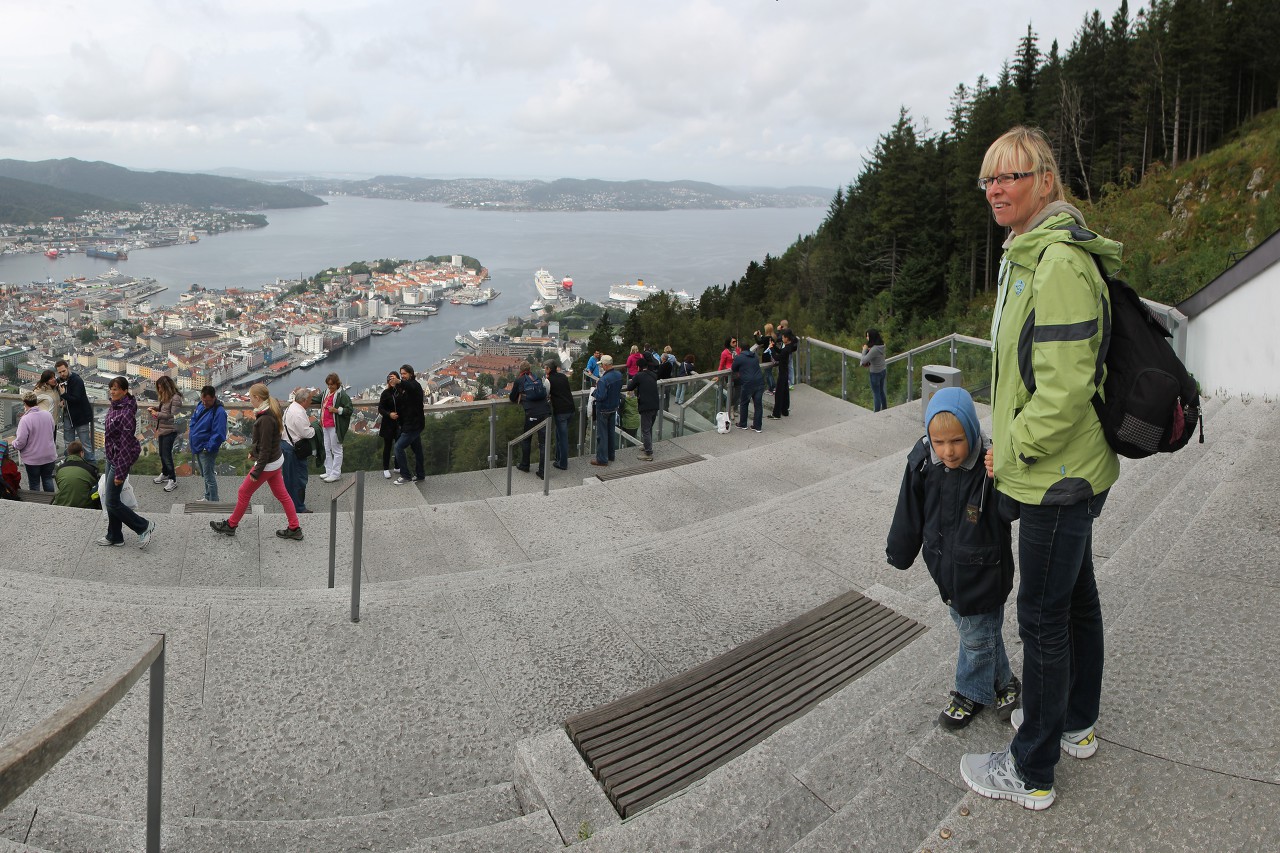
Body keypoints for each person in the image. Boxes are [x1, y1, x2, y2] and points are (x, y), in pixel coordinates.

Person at [959, 126, 1121, 812]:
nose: (996, 189)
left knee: (1043, 618)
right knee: (1075, 599)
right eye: (988, 179)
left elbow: (1063, 388)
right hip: (1068, 463)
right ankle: (1077, 722)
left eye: (1011, 176)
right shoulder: (1029, 252)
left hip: (1056, 471)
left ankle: (1032, 769)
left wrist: (1011, 446)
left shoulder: (1054, 263)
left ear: (1045, 181)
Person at [887, 387, 1019, 730]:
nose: (948, 451)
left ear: (972, 432)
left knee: (976, 636)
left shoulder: (990, 460)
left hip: (985, 571)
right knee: (979, 632)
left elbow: (1011, 511)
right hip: (945, 568)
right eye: (939, 442)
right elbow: (909, 508)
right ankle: (1005, 683)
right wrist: (900, 551)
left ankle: (969, 692)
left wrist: (1001, 473)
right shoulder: (923, 459)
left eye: (957, 441)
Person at [210, 383, 303, 540]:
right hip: (276, 459)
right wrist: (254, 452)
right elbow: (267, 442)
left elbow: (265, 449)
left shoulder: (265, 419)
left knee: (243, 492)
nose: (249, 400)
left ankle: (231, 525)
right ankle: (294, 528)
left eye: (250, 397)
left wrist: (257, 471)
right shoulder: (269, 412)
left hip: (268, 464)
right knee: (283, 495)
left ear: (257, 398)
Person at [97, 376, 155, 548]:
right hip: (111, 457)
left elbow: (125, 445)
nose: (112, 392)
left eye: (115, 389)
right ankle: (115, 536)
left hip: (119, 461)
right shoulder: (116, 405)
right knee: (111, 498)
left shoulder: (127, 413)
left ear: (124, 390)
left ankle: (144, 526)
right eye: (111, 389)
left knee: (112, 502)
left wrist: (120, 473)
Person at [508, 363, 550, 478]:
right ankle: (543, 471)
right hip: (545, 412)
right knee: (543, 443)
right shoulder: (536, 377)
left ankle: (525, 465)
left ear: (520, 370)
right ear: (530, 369)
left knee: (526, 439)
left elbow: (512, 398)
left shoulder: (519, 380)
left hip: (531, 413)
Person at [188, 385, 227, 502]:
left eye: (207, 401)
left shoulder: (219, 412)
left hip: (207, 449)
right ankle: (207, 496)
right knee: (205, 475)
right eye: (203, 400)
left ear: (214, 398)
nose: (204, 403)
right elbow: (194, 419)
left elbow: (219, 433)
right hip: (198, 446)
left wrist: (208, 447)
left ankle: (214, 501)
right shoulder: (201, 405)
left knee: (209, 476)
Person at [13, 393, 58, 491]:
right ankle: (50, 504)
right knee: (48, 479)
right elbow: (52, 430)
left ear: (24, 403)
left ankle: (36, 504)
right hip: (49, 455)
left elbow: (21, 441)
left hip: (33, 458)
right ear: (36, 402)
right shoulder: (47, 414)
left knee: (34, 482)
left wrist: (14, 445)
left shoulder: (25, 420)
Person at [281, 388, 316, 513]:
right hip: (295, 449)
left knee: (289, 478)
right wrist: (314, 429)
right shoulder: (299, 413)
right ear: (304, 400)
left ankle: (289, 504)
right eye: (310, 399)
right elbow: (306, 433)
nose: (311, 402)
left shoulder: (290, 408)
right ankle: (299, 508)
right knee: (299, 479)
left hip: (286, 445)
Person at [56, 359, 95, 462]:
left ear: (68, 368)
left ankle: (92, 468)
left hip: (80, 417)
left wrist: (64, 395)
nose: (62, 374)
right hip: (68, 416)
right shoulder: (59, 381)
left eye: (63, 371)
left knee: (86, 445)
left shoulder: (77, 380)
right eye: (59, 372)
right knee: (68, 444)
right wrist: (61, 400)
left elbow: (76, 398)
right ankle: (70, 465)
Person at [392, 364, 426, 485]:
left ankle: (406, 476)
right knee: (417, 450)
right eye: (401, 374)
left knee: (398, 447)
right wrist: (396, 386)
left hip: (413, 424)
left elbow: (410, 386)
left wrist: (399, 381)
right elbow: (400, 400)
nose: (403, 376)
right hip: (412, 423)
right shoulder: (405, 387)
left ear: (411, 374)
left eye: (404, 373)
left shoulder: (415, 385)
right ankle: (420, 475)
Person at [148, 375, 183, 492]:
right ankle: (165, 473)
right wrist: (156, 408)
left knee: (166, 455)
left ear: (167, 387)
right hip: (163, 429)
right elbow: (165, 410)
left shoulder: (175, 398)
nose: (160, 390)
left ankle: (173, 479)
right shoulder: (166, 397)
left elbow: (172, 415)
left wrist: (156, 414)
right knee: (162, 454)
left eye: (161, 387)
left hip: (170, 429)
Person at [590, 355, 623, 467]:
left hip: (603, 409)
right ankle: (611, 455)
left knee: (602, 435)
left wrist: (594, 392)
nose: (601, 367)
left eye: (602, 365)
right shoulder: (618, 375)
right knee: (611, 433)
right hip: (614, 407)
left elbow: (600, 396)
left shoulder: (603, 380)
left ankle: (602, 459)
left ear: (605, 365)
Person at [319, 373, 352, 483]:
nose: (329, 387)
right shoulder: (326, 393)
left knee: (336, 450)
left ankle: (336, 473)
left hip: (334, 426)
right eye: (328, 385)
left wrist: (337, 410)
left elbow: (349, 410)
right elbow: (316, 398)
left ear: (337, 384)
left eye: (332, 385)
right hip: (325, 424)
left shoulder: (342, 395)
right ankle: (329, 471)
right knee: (327, 448)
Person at [626, 356, 659, 460]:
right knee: (649, 428)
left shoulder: (638, 376)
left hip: (645, 405)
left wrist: (633, 380)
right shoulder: (653, 375)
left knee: (645, 429)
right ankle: (646, 445)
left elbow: (629, 387)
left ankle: (648, 453)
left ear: (639, 367)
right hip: (655, 404)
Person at [546, 358, 574, 470]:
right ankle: (558, 459)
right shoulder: (563, 376)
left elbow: (545, 394)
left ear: (548, 369)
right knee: (559, 435)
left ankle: (562, 463)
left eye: (545, 368)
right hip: (571, 409)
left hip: (561, 411)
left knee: (562, 438)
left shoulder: (549, 380)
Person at [53, 440, 99, 509]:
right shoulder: (90, 469)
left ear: (68, 453)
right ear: (82, 453)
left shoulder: (60, 469)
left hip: (61, 503)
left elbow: (59, 484)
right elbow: (94, 486)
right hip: (84, 505)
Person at [731, 346, 766, 432]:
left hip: (748, 383)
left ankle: (743, 424)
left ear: (741, 349)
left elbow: (733, 368)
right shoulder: (755, 356)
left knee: (744, 403)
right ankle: (757, 426)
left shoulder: (739, 357)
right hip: (759, 382)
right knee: (758, 405)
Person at [767, 331, 797, 419]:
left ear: (787, 338)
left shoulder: (786, 349)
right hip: (786, 372)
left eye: (783, 337)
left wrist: (771, 349)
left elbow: (776, 357)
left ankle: (776, 414)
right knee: (785, 392)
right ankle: (785, 410)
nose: (782, 339)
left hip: (782, 373)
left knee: (779, 394)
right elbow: (781, 351)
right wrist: (775, 347)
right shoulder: (789, 347)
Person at [376, 371, 400, 479]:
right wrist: (389, 414)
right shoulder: (385, 393)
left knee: (399, 446)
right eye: (390, 379)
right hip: (388, 424)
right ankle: (386, 468)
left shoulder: (401, 392)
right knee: (388, 446)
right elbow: (380, 408)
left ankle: (397, 466)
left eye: (394, 378)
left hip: (399, 423)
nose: (392, 380)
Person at [860, 329, 888, 412]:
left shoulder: (874, 349)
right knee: (881, 391)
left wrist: (864, 350)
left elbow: (864, 360)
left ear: (872, 337)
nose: (867, 337)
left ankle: (877, 412)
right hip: (883, 370)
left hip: (875, 373)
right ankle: (885, 409)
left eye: (868, 336)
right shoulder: (882, 345)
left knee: (876, 394)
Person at [34, 370, 62, 445]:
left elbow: (55, 401)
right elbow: (29, 403)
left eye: (54, 377)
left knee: (52, 444)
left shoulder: (55, 389)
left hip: (54, 422)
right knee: (44, 445)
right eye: (50, 378)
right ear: (45, 380)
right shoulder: (39, 390)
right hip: (44, 424)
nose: (54, 379)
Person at [756, 324, 777, 393]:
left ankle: (772, 388)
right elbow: (764, 340)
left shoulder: (766, 338)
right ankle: (773, 387)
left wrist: (755, 336)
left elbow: (759, 342)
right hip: (771, 357)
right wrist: (761, 335)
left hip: (766, 357)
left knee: (768, 373)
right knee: (769, 372)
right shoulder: (771, 338)